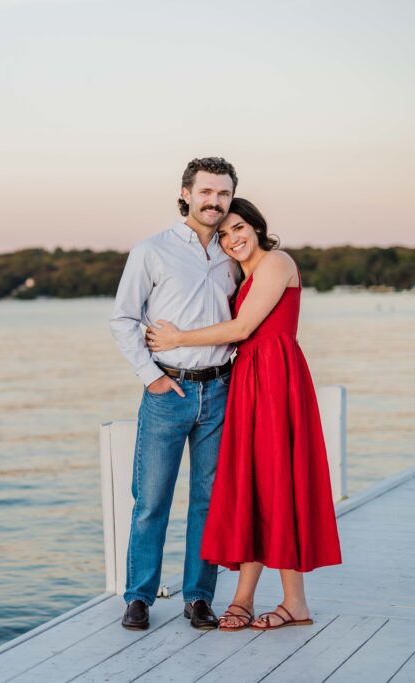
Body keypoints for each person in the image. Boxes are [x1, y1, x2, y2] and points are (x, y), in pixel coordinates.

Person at [146, 198, 342, 631]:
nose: (233, 239)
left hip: (275, 378)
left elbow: (241, 329)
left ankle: (295, 603)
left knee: (278, 482)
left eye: (239, 228)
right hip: (247, 381)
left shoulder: (276, 262)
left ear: (256, 226)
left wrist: (177, 340)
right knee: (252, 486)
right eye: (224, 235)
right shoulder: (242, 273)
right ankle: (244, 598)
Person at [109, 157, 241, 631]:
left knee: (208, 500)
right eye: (206, 192)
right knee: (151, 500)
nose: (215, 201)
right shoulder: (153, 250)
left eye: (223, 194)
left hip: (221, 390)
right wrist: (151, 376)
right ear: (186, 193)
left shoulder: (234, 252)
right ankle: (139, 597)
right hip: (168, 390)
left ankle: (199, 598)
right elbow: (123, 318)